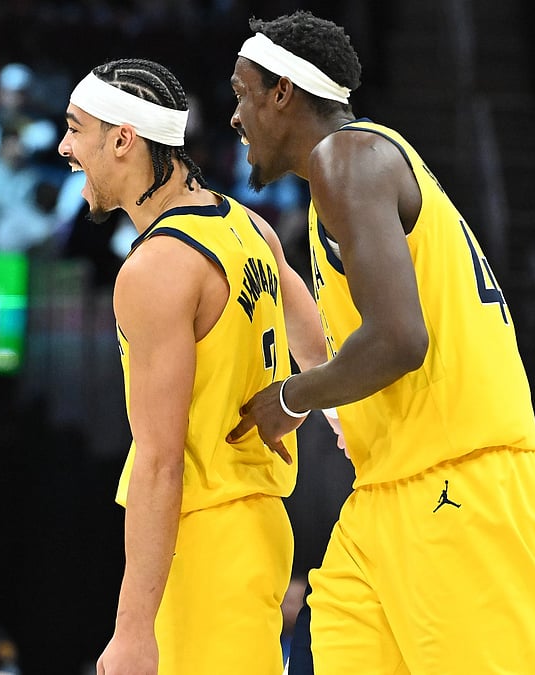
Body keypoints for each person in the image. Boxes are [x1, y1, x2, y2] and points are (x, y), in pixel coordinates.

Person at [225, 10, 535, 673]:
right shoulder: (344, 187)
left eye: (242, 94)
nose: (235, 118)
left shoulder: (348, 158)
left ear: (282, 94)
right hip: (384, 496)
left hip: (462, 485)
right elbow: (364, 343)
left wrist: (291, 397)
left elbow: (399, 340)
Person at [57, 58, 325, 675]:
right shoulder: (247, 225)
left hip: (202, 541)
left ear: (122, 138)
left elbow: (160, 460)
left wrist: (131, 632)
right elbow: (321, 361)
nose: (66, 147)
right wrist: (291, 408)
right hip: (259, 529)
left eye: (75, 128)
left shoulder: (156, 269)